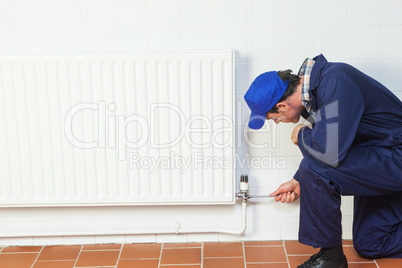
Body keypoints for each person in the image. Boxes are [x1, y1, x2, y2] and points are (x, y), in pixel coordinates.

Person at [244, 54, 402, 268]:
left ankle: (331, 258)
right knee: (371, 244)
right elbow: (333, 145)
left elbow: (328, 152)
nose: (278, 123)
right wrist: (300, 180)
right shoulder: (315, 94)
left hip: (395, 156)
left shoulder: (336, 82)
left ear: (281, 106)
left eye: (274, 119)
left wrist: (300, 134)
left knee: (313, 168)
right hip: (380, 159)